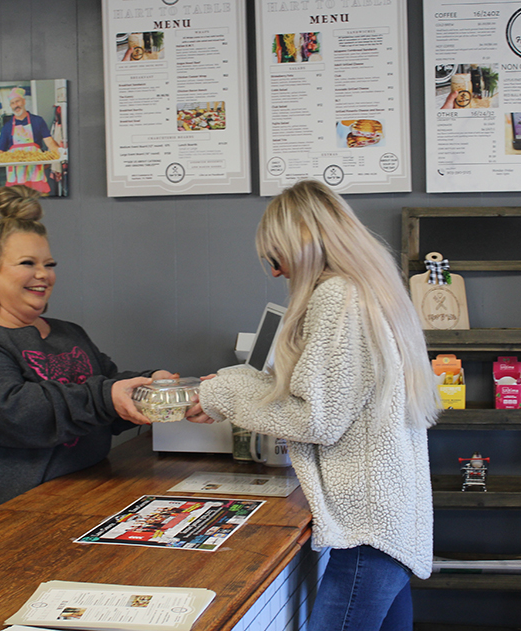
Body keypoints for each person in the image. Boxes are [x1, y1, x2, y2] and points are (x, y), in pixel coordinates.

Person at [188, 179, 440, 631]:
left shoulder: (337, 297)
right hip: (392, 522)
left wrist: (223, 392)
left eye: (275, 258)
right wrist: (241, 383)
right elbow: (332, 399)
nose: (275, 273)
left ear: (301, 244)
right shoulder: (370, 290)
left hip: (368, 530)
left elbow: (315, 417)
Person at [0, 185, 176, 536]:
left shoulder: (66, 333)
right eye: (28, 263)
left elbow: (105, 391)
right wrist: (109, 396)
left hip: (76, 508)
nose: (43, 274)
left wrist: (153, 386)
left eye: (49, 264)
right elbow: (21, 414)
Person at [0, 87, 60, 195]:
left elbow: (49, 142)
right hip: (16, 171)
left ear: (24, 101)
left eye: (18, 101)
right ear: (11, 106)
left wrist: (60, 153)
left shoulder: (37, 121)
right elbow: (0, 150)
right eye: (12, 103)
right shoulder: (7, 127)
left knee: (39, 196)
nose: (16, 105)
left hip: (35, 169)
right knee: (17, 197)